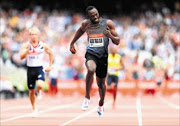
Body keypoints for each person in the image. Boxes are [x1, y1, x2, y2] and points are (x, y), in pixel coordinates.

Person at [69, 6, 120, 116]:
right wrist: (72, 43)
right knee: (91, 69)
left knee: (101, 84)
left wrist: (109, 35)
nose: (95, 17)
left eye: (96, 14)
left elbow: (117, 41)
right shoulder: (86, 24)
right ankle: (87, 97)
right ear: (89, 17)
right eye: (92, 16)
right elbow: (79, 31)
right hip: (91, 54)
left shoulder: (108, 23)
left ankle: (101, 103)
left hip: (103, 57)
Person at [20, 26, 53, 117]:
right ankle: (34, 108)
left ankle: (39, 91)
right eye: (32, 34)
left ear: (38, 35)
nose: (33, 36)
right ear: (29, 36)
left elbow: (50, 53)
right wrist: (26, 51)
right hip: (30, 69)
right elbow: (21, 57)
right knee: (31, 91)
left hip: (39, 68)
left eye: (35, 34)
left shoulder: (42, 45)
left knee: (40, 84)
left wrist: (50, 65)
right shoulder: (26, 45)